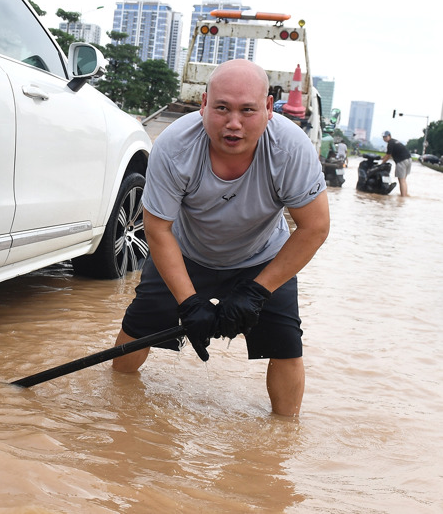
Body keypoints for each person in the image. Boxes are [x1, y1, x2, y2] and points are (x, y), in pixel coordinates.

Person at [112, 59, 330, 417]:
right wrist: (189, 303)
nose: (234, 124)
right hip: (184, 253)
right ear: (203, 105)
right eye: (222, 108)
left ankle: (284, 432)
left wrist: (257, 291)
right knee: (137, 327)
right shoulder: (174, 146)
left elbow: (315, 228)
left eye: (247, 110)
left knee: (286, 345)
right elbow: (157, 228)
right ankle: (116, 406)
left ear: (269, 109)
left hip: (263, 259)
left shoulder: (290, 149)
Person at [380, 131, 411, 197]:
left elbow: (388, 156)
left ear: (389, 136)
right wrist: (383, 158)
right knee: (404, 180)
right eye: (383, 137)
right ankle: (405, 195)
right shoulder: (394, 141)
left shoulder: (390, 143)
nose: (384, 138)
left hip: (401, 161)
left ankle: (402, 197)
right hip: (409, 160)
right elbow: (387, 155)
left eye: (385, 137)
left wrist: (381, 164)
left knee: (401, 180)